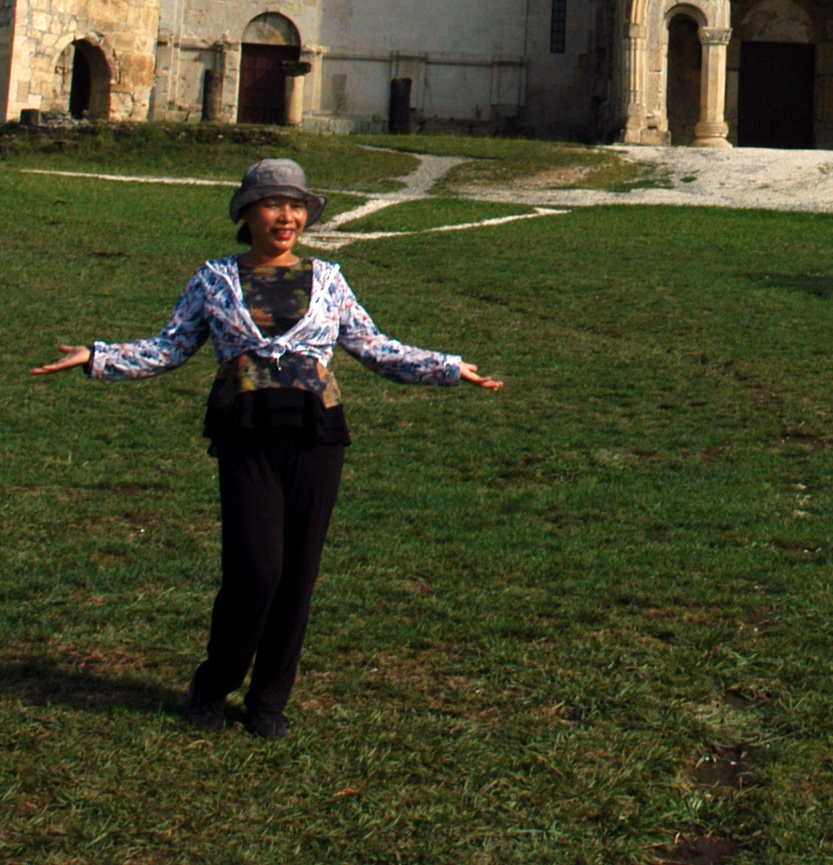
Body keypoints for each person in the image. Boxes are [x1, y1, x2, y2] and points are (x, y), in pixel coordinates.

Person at [30, 158, 504, 740]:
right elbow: (171, 346)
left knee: (298, 574)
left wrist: (449, 368)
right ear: (246, 214)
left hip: (316, 433)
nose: (287, 216)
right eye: (274, 205)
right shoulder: (214, 280)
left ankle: (269, 701)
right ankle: (214, 685)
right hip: (245, 430)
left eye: (296, 206)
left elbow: (374, 346)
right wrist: (98, 357)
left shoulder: (329, 279)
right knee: (256, 569)